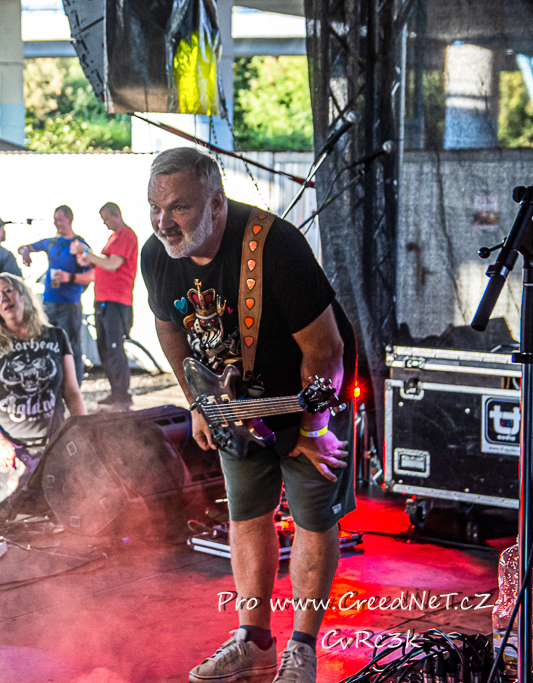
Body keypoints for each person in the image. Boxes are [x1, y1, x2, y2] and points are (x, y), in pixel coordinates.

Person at [141, 148, 355, 683]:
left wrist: (313, 430)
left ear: (217, 203)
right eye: (155, 208)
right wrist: (200, 402)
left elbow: (326, 351)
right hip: (235, 404)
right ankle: (253, 642)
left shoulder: (276, 246)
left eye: (179, 207)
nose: (164, 223)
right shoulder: (156, 254)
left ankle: (302, 651)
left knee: (311, 517)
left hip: (308, 395)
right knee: (247, 513)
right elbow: (169, 329)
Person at [0, 273, 86, 519]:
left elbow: (72, 392)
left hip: (52, 448)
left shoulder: (56, 336)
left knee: (56, 524)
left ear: (22, 294)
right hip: (7, 452)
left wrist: (83, 433)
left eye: (8, 291)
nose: (3, 300)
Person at [72, 202, 139, 412]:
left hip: (116, 302)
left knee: (114, 349)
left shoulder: (126, 235)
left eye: (106, 219)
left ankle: (123, 396)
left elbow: (112, 264)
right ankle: (116, 392)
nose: (105, 223)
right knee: (104, 349)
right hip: (103, 300)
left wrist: (86, 252)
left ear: (116, 215)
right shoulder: (113, 238)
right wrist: (90, 262)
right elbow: (105, 263)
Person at [17, 205, 91, 383]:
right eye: (55, 220)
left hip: (70, 303)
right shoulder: (50, 243)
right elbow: (23, 247)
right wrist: (25, 253)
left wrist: (70, 277)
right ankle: (51, 382)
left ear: (69, 219)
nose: (56, 223)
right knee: (45, 342)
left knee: (71, 346)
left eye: (60, 219)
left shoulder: (80, 244)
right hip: (49, 302)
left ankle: (75, 385)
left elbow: (92, 273)